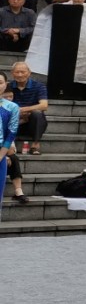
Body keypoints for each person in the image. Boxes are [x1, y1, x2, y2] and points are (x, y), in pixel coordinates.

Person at [7, 62, 47, 155]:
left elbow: (44, 105)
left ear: (29, 73)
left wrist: (24, 109)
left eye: (23, 72)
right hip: (15, 121)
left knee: (37, 113)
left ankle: (35, 145)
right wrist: (17, 113)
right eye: (17, 72)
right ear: (12, 73)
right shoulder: (8, 86)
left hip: (32, 122)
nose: (20, 75)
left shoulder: (39, 86)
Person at [0, 83, 18, 220]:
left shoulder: (12, 107)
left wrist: (1, 155)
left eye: (0, 82)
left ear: (5, 84)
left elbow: (12, 132)